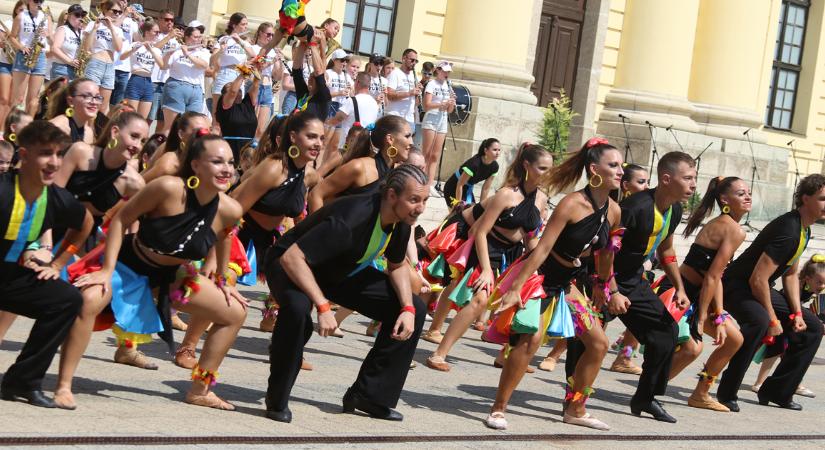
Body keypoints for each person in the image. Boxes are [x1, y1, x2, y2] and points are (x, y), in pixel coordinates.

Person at [75, 133, 248, 411]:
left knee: (234, 312)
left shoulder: (229, 208)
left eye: (230, 162)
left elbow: (225, 234)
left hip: (171, 277)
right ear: (195, 165)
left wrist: (222, 281)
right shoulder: (168, 188)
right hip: (128, 265)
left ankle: (200, 389)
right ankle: (53, 376)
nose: (227, 169)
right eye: (217, 161)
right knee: (83, 303)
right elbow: (120, 219)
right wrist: (106, 270)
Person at [263, 164, 428, 423]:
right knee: (297, 311)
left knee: (415, 310)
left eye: (424, 200)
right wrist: (323, 306)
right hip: (289, 265)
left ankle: (369, 397)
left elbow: (396, 266)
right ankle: (277, 399)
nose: (420, 208)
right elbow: (292, 258)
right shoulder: (354, 217)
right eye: (414, 200)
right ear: (392, 195)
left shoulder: (401, 221)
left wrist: (406, 307)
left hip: (337, 271)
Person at [488, 138, 623, 430]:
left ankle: (575, 409)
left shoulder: (613, 210)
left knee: (598, 344)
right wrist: (515, 288)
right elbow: (543, 249)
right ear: (594, 169)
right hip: (541, 276)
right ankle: (498, 408)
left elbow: (604, 253)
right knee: (531, 341)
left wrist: (605, 285)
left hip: (568, 283)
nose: (620, 171)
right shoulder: (572, 203)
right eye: (613, 165)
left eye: (621, 165)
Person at [425, 144, 549, 372]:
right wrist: (485, 269)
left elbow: (530, 237)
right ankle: (438, 352)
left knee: (522, 298)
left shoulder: (541, 199)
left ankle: (507, 355)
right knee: (477, 298)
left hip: (511, 252)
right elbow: (479, 231)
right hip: (481, 241)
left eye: (550, 169)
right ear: (526, 166)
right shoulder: (506, 195)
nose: (547, 174)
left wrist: (535, 266)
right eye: (542, 168)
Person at [594, 151, 696, 423]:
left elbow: (667, 250)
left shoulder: (675, 209)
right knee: (591, 342)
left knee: (666, 331)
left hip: (632, 280)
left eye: (694, 178)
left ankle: (645, 398)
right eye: (687, 178)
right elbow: (605, 251)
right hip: (603, 277)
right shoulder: (635, 208)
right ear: (666, 179)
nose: (693, 184)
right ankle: (574, 396)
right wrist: (611, 290)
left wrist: (680, 288)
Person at [0, 120, 93, 409]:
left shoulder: (55, 197)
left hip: (11, 277)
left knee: (66, 299)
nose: (54, 162)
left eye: (58, 154)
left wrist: (58, 262)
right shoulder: (3, 191)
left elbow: (86, 223)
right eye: (45, 154)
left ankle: (22, 382)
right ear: (24, 155)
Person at [717, 174, 825, 412]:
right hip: (735, 285)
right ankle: (726, 391)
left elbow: (789, 274)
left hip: (757, 285)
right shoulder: (789, 229)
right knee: (759, 321)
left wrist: (797, 313)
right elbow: (758, 279)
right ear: (806, 199)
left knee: (813, 328)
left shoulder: (804, 229)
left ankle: (777, 392)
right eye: (823, 199)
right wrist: (774, 319)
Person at [655, 177, 749, 412]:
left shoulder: (726, 225)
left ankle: (700, 394)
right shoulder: (732, 229)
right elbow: (710, 278)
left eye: (748, 192)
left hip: (697, 294)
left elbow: (715, 276)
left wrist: (719, 313)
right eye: (740, 193)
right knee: (692, 348)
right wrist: (702, 319)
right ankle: (651, 388)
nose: (747, 197)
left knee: (735, 339)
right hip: (680, 292)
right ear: (725, 200)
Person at [230, 111, 319, 336]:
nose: (318, 143)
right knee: (225, 288)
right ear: (292, 138)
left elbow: (314, 201)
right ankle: (189, 346)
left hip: (270, 237)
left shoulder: (309, 175)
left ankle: (282, 342)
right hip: (237, 230)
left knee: (294, 281)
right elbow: (233, 206)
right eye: (312, 136)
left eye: (321, 138)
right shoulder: (272, 168)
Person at [751, 254, 825, 398]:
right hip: (780, 319)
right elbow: (786, 305)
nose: (822, 286)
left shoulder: (810, 289)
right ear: (808, 279)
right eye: (819, 282)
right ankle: (759, 383)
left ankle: (794, 383)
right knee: (777, 349)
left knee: (792, 351)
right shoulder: (797, 286)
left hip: (791, 320)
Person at [308, 114, 412, 212]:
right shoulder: (359, 167)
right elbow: (316, 194)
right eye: (407, 136)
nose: (411, 142)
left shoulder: (398, 173)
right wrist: (320, 229)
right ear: (390, 139)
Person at [607, 163, 650, 375]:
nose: (646, 187)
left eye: (648, 182)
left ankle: (624, 358)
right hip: (608, 273)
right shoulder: (619, 210)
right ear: (625, 186)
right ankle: (555, 354)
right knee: (597, 319)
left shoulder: (648, 210)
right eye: (641, 182)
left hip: (634, 274)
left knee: (636, 318)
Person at [318, 71, 379, 175]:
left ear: (357, 83)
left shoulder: (352, 100)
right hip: (365, 145)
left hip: (348, 144)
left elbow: (338, 119)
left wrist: (324, 122)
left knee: (327, 172)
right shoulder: (374, 102)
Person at [160, 24, 210, 135]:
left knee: (193, 127)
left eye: (199, 37)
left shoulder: (203, 52)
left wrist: (187, 54)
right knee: (172, 126)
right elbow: (163, 66)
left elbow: (203, 65)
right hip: (176, 86)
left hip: (196, 90)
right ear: (187, 37)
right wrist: (168, 54)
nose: (198, 40)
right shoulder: (177, 51)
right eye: (195, 37)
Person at [210, 13, 254, 132]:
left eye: (246, 24)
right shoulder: (223, 39)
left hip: (241, 74)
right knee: (217, 115)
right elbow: (212, 60)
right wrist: (220, 51)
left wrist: (240, 40)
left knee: (235, 112)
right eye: (243, 24)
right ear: (234, 25)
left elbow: (253, 55)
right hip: (226, 72)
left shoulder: (245, 42)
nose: (245, 27)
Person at [121, 20, 175, 118]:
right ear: (146, 32)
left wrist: (153, 50)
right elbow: (122, 57)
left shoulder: (156, 50)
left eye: (159, 32)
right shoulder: (135, 44)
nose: (158, 34)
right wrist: (135, 48)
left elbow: (162, 66)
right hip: (135, 79)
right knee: (130, 116)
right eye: (156, 32)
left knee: (142, 118)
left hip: (149, 82)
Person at [9, 0, 53, 116]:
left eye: (41, 1)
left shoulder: (46, 16)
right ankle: (11, 130)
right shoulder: (21, 16)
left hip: (40, 56)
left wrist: (48, 35)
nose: (38, 3)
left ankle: (28, 129)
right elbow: (12, 37)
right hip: (24, 55)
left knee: (33, 100)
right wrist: (21, 47)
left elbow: (52, 41)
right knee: (18, 98)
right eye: (36, 0)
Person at [79, 0, 124, 115]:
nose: (117, 14)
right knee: (90, 101)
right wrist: (94, 28)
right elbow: (87, 47)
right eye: (114, 11)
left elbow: (119, 48)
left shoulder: (118, 30)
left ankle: (97, 132)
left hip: (109, 66)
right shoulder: (92, 24)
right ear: (105, 10)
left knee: (103, 107)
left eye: (120, 12)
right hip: (95, 63)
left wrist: (112, 28)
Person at [142, 112, 209, 182]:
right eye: (198, 132)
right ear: (181, 134)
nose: (204, 136)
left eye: (207, 132)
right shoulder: (168, 165)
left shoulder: (206, 158)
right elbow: (140, 185)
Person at [421, 60, 455, 185]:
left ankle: (430, 184)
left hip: (443, 119)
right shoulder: (431, 84)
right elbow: (426, 105)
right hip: (431, 118)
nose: (447, 74)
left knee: (435, 155)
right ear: (438, 70)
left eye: (448, 72)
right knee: (426, 153)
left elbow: (450, 110)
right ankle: (421, 181)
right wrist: (441, 104)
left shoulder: (448, 85)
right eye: (445, 71)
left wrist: (451, 104)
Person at [215, 68, 259, 162]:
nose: (237, 92)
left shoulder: (247, 104)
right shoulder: (225, 108)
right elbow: (232, 92)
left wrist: (258, 70)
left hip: (249, 150)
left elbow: (255, 86)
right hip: (231, 148)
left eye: (239, 89)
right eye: (234, 89)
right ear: (224, 96)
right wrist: (243, 73)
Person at [442, 138, 500, 208]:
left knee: (472, 213)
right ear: (486, 150)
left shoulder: (495, 167)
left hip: (466, 189)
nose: (498, 153)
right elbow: (460, 185)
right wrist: (458, 205)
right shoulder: (474, 164)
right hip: (453, 188)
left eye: (499, 150)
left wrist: (481, 207)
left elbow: (486, 188)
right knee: (456, 216)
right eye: (495, 150)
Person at [148, 9, 181, 132]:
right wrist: (168, 37)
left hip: (168, 82)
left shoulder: (175, 40)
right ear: (159, 20)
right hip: (153, 80)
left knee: (163, 121)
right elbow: (152, 49)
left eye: (172, 20)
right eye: (166, 19)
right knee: (149, 118)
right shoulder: (155, 35)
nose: (170, 23)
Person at [250, 22, 282, 143]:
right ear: (260, 33)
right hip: (255, 86)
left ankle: (254, 153)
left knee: (261, 129)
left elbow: (277, 76)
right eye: (268, 34)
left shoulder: (273, 51)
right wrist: (272, 61)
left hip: (267, 87)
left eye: (272, 35)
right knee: (252, 125)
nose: (270, 38)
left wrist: (279, 61)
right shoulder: (253, 49)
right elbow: (256, 68)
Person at [47, 77, 99, 145]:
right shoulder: (56, 127)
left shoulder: (88, 133)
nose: (94, 102)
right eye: (87, 96)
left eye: (98, 97)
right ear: (71, 101)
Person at [385, 49, 421, 145]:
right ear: (404, 58)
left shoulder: (414, 77)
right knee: (393, 147)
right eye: (412, 60)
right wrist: (409, 93)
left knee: (406, 149)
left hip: (409, 119)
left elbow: (416, 103)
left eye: (416, 61)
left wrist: (417, 94)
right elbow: (390, 95)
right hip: (396, 117)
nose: (414, 63)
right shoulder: (395, 73)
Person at [0, 2, 26, 131]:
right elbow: (1, 43)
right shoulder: (8, 23)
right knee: (4, 99)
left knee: (14, 101)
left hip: (20, 66)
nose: (22, 12)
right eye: (20, 9)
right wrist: (7, 38)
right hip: (6, 63)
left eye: (24, 10)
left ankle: (6, 131)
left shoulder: (28, 27)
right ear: (15, 10)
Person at [109, 1, 140, 107]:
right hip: (110, 64)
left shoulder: (132, 22)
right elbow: (113, 26)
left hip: (124, 68)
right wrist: (124, 14)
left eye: (126, 1)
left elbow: (139, 39)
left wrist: (140, 21)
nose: (124, 2)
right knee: (104, 101)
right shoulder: (111, 16)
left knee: (117, 105)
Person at [323, 48, 352, 161]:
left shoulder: (347, 76)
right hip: (331, 106)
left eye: (346, 60)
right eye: (342, 60)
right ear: (334, 60)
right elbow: (323, 94)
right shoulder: (328, 73)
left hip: (342, 108)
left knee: (335, 145)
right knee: (324, 141)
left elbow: (353, 93)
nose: (344, 63)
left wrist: (350, 91)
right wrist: (338, 93)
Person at [49, 3, 85, 82]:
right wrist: (70, 61)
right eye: (77, 15)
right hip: (61, 69)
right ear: (69, 16)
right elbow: (54, 49)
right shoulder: (63, 29)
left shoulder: (82, 32)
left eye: (82, 15)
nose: (80, 17)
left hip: (76, 71)